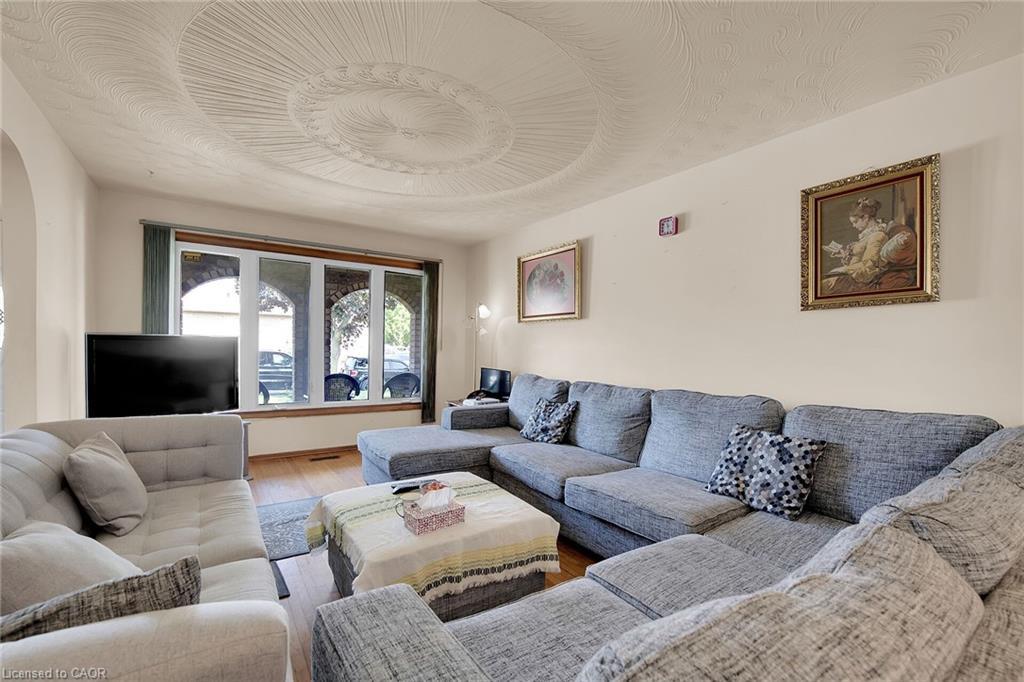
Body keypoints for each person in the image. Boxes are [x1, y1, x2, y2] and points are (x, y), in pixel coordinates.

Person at [821, 196, 917, 296]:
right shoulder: (868, 235)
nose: (854, 226)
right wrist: (844, 254)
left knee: (824, 287)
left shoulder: (877, 236)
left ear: (866, 218)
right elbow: (860, 256)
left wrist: (843, 270)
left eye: (855, 222)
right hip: (852, 275)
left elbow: (869, 266)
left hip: (858, 280)